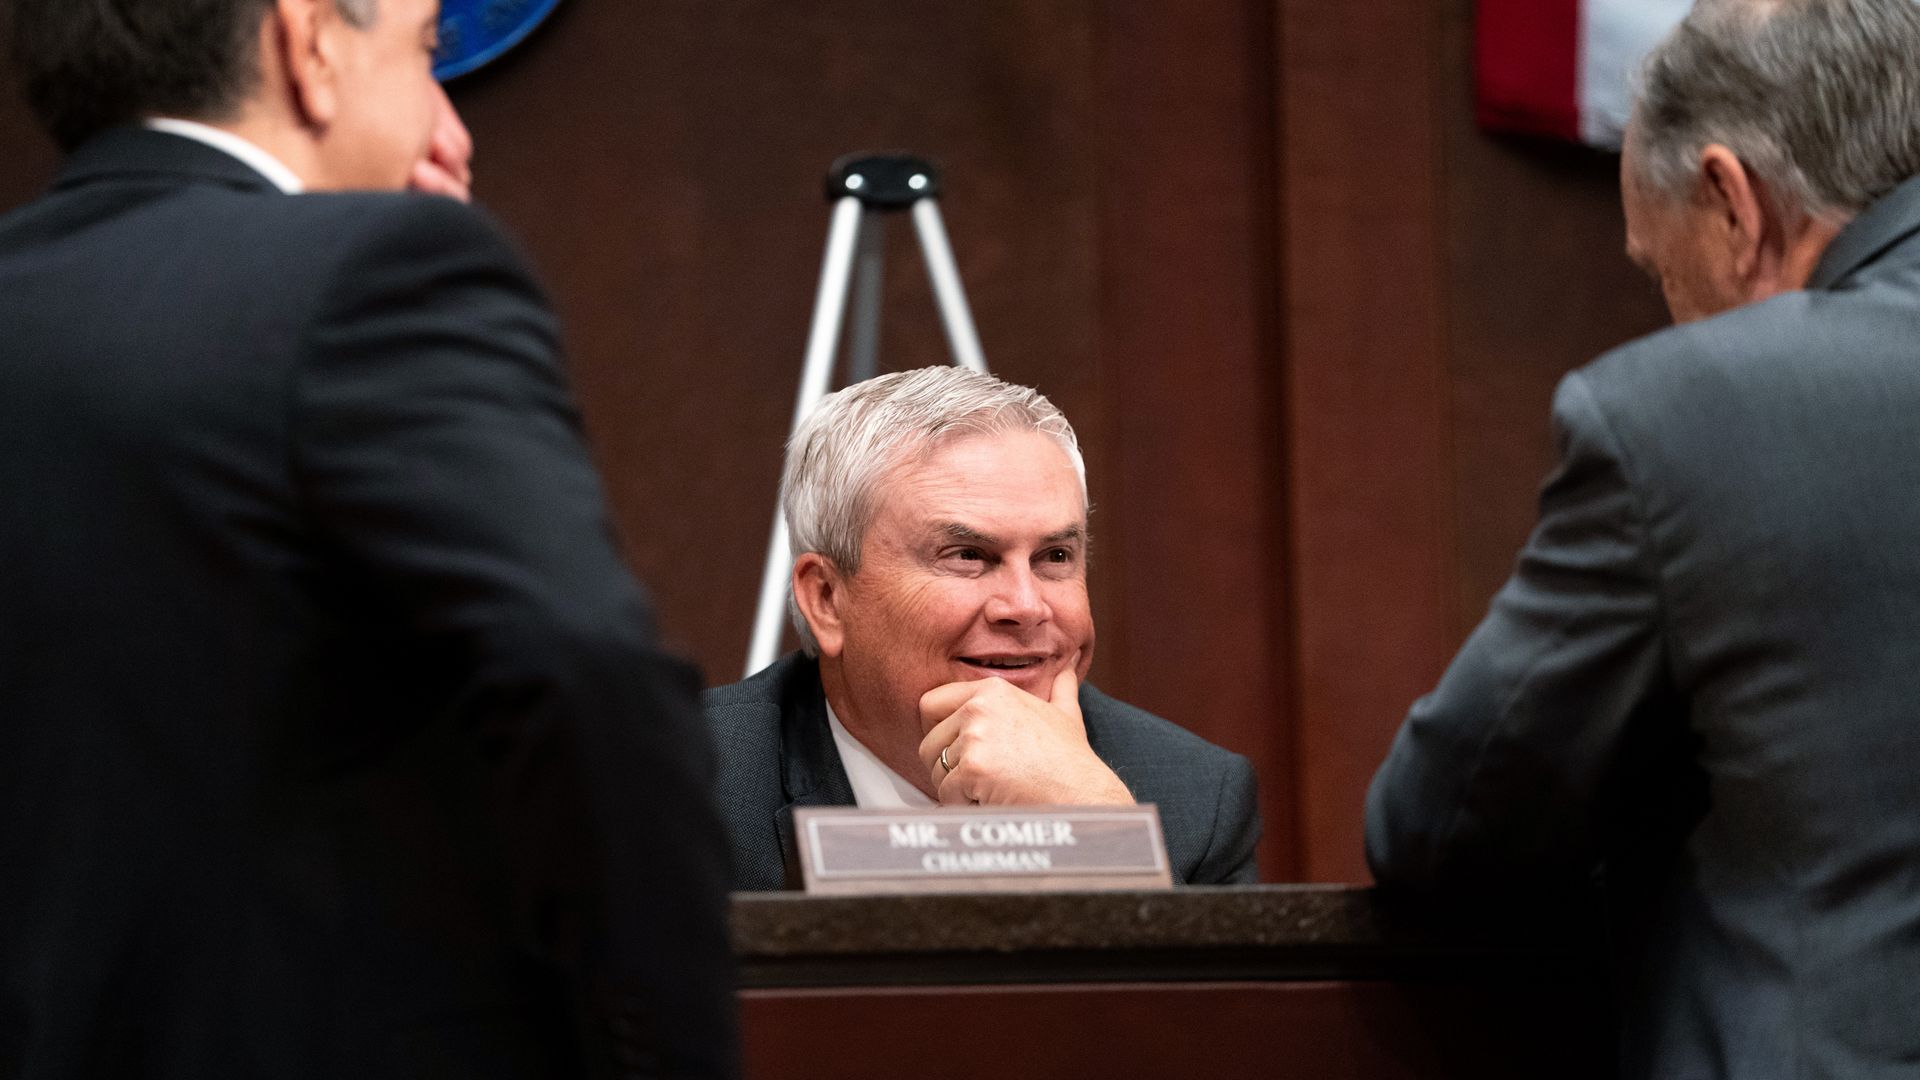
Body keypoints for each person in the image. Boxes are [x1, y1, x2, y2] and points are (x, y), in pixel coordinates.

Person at [0, 1, 737, 1077]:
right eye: (426, 53)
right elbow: (585, 673)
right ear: (310, 45)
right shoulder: (377, 271)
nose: (454, 129)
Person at [1365, 0, 1920, 1074]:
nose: (1671, 315)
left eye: (1662, 274)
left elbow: (1444, 830)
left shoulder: (1698, 408)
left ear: (1730, 200)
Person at [706, 366, 1260, 889]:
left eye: (1055, 557)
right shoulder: (681, 787)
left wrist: (1101, 837)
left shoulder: (1195, 800)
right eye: (968, 555)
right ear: (827, 599)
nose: (1025, 605)